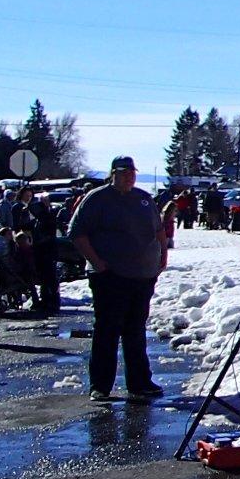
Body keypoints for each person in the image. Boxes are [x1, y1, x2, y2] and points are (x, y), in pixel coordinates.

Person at [66, 156, 168, 402]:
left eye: (132, 172)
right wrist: (97, 262)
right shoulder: (97, 199)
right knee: (107, 330)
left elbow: (159, 231)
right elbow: (77, 233)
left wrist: (162, 256)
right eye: (123, 173)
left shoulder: (143, 199)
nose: (128, 177)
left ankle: (139, 382)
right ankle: (100, 385)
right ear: (113, 174)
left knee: (135, 330)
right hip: (110, 276)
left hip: (142, 276)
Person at [22, 190, 62, 314]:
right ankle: (47, 301)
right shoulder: (40, 220)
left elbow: (46, 236)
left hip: (46, 252)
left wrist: (37, 244)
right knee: (46, 279)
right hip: (43, 252)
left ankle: (51, 302)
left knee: (49, 279)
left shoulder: (46, 218)